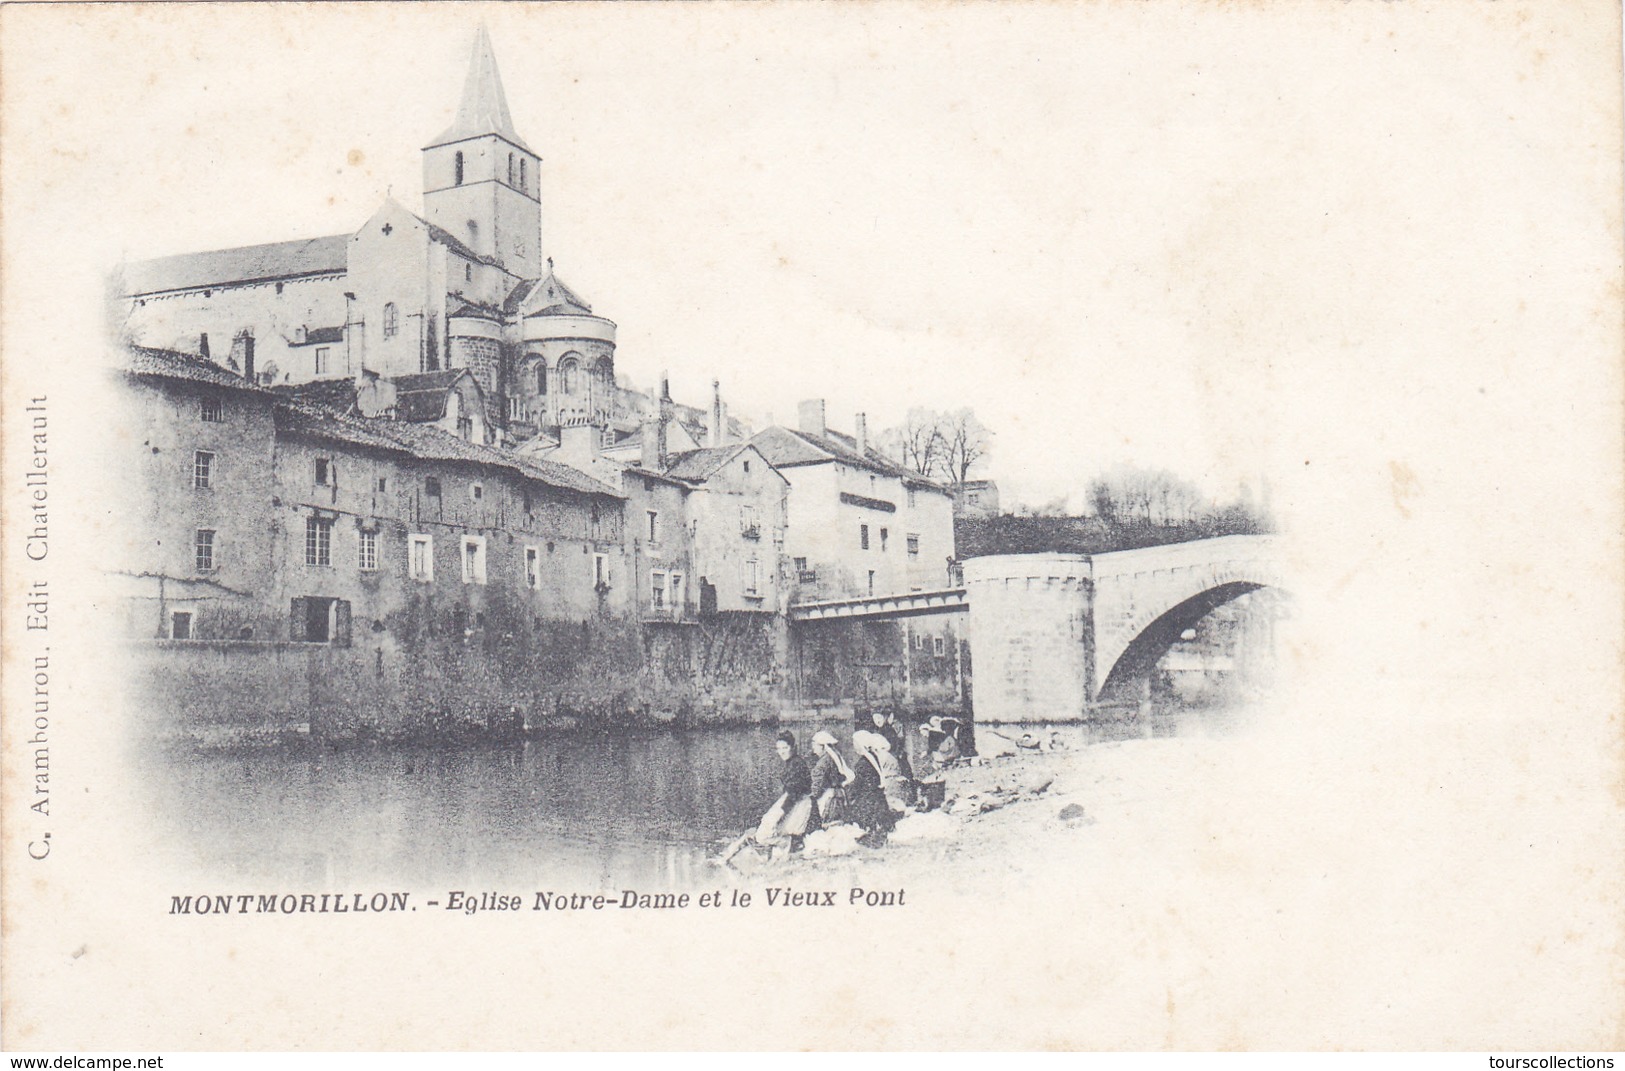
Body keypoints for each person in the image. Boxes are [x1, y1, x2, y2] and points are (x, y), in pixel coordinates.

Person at [752, 729, 819, 855]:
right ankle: (784, 847)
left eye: (785, 747)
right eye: (779, 748)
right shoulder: (792, 763)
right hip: (794, 800)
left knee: (768, 831)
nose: (781, 751)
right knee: (768, 826)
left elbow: (794, 793)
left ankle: (789, 844)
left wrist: (781, 813)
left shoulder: (797, 765)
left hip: (802, 803)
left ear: (793, 747)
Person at [849, 731, 899, 847]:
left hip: (870, 797)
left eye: (855, 743)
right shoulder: (872, 756)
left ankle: (872, 836)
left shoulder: (863, 762)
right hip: (876, 796)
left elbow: (860, 783)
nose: (854, 745)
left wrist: (851, 791)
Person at [809, 730, 855, 821]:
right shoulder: (833, 758)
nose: (813, 747)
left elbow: (818, 785)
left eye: (815, 744)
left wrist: (811, 798)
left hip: (828, 798)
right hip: (838, 796)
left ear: (823, 747)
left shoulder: (823, 762)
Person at [867, 708, 914, 780]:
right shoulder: (878, 730)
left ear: (885, 717)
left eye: (879, 717)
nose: (877, 721)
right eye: (875, 719)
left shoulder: (889, 730)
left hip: (893, 756)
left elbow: (893, 746)